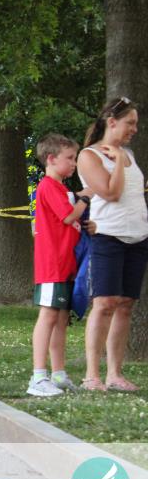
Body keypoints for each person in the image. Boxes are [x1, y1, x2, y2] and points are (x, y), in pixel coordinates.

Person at [77, 97, 148, 392]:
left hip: (138, 237)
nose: (134, 129)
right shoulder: (89, 156)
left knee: (126, 305)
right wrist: (117, 160)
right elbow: (111, 193)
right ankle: (92, 375)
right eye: (130, 123)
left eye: (136, 124)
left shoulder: (129, 153)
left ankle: (115, 374)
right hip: (108, 237)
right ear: (111, 122)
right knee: (104, 303)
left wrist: (122, 157)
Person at [28, 134, 91, 397]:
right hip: (51, 265)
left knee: (62, 319)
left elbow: (72, 220)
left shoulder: (62, 189)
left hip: (66, 264)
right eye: (70, 158)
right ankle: (38, 376)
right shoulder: (49, 186)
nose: (74, 163)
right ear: (51, 159)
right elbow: (67, 217)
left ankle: (58, 373)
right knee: (49, 316)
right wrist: (86, 198)